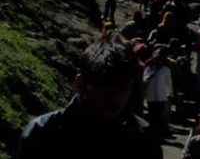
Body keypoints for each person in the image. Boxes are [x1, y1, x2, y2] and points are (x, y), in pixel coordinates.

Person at [15, 39, 161, 158]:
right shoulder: (43, 134)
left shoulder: (143, 139)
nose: (115, 95)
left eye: (123, 86)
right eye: (105, 85)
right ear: (81, 84)